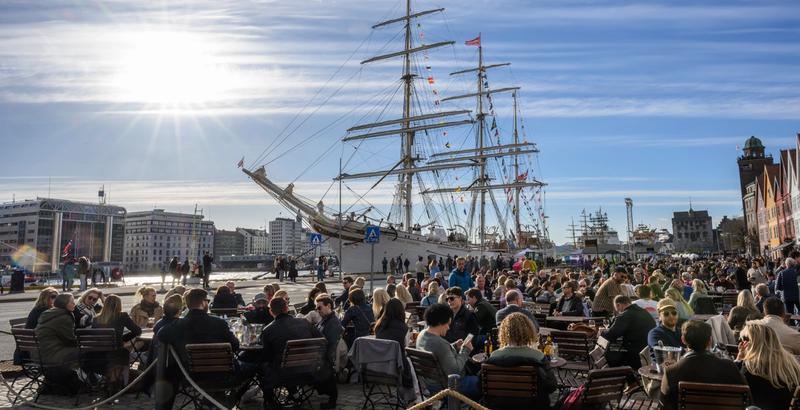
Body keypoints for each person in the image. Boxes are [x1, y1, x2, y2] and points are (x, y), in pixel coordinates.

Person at [258, 297, 336, 409]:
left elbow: (267, 357)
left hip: (283, 375)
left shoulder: (268, 330)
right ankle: (294, 394)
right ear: (287, 308)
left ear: (271, 311)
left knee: (262, 367)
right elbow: (322, 341)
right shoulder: (304, 323)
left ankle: (270, 401)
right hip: (309, 371)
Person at [659, 321, 746, 410]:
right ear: (709, 341)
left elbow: (663, 405)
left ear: (683, 340)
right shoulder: (729, 366)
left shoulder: (671, 371)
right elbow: (746, 398)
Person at [485, 312, 557, 408]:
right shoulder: (538, 356)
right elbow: (551, 386)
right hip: (532, 406)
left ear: (503, 332)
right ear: (529, 331)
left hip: (499, 406)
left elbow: (481, 386)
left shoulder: (494, 356)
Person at [415, 303, 479, 400]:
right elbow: (455, 371)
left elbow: (438, 352)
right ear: (440, 323)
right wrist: (465, 350)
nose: (448, 328)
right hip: (448, 386)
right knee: (484, 383)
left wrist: (453, 346)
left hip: (430, 384)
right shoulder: (440, 343)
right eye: (448, 324)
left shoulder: (422, 335)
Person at [736, 322, 800, 410]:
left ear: (748, 343)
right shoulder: (790, 365)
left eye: (741, 340)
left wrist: (738, 360)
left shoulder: (749, 368)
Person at [93, 294, 142, 386]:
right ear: (119, 305)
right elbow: (137, 330)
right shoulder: (122, 316)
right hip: (115, 352)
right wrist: (123, 339)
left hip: (98, 354)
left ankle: (110, 379)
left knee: (119, 353)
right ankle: (119, 382)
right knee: (124, 352)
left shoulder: (96, 319)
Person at [35, 293, 80, 385]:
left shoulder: (48, 313)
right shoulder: (65, 317)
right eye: (72, 302)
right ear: (65, 304)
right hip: (52, 355)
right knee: (87, 353)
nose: (74, 304)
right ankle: (87, 381)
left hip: (38, 354)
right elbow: (70, 340)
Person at [601, 295, 656, 369]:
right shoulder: (643, 311)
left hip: (633, 351)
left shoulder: (625, 315)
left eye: (617, 309)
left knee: (607, 349)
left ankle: (614, 373)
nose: (618, 311)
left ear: (618, 305)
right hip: (647, 349)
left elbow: (611, 335)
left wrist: (601, 332)